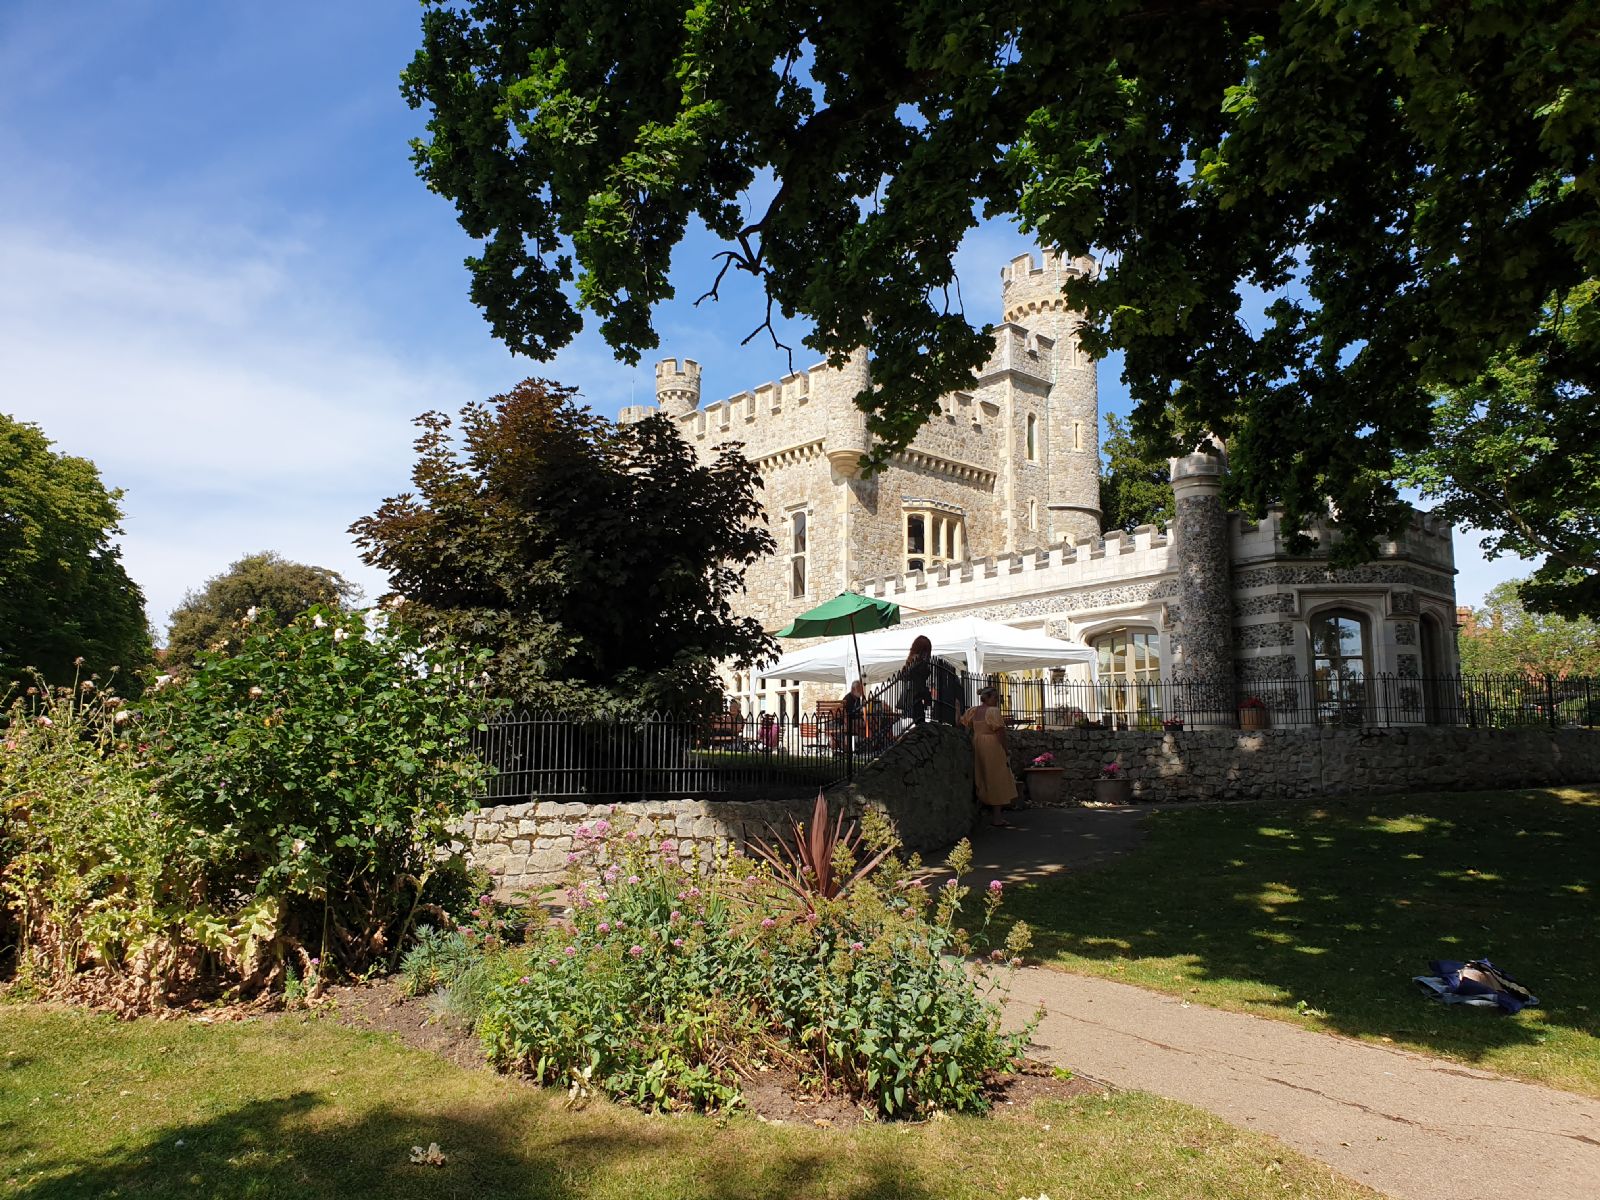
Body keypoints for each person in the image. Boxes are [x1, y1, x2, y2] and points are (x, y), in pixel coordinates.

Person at [960, 686, 1019, 827]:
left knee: (983, 776)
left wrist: (957, 709)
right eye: (995, 697)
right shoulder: (993, 711)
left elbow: (961, 723)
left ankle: (986, 811)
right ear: (987, 698)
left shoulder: (973, 711)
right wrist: (1005, 749)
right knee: (997, 777)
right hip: (992, 745)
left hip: (978, 743)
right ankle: (997, 817)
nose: (997, 700)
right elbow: (1000, 733)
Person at [898, 634, 935, 725]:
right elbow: (906, 676)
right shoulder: (919, 662)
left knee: (919, 719)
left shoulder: (914, 661)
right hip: (915, 694)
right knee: (919, 720)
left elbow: (903, 676)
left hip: (913, 694)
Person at [841, 679, 866, 750]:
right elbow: (845, 716)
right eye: (859, 689)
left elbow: (859, 713)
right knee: (859, 725)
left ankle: (866, 741)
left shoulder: (857, 699)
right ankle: (866, 741)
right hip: (848, 721)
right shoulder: (847, 699)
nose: (861, 691)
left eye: (861, 689)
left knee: (868, 722)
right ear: (852, 689)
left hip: (854, 721)